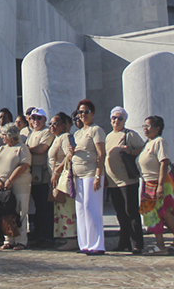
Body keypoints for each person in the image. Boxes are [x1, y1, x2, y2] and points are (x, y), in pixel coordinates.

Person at [138, 116, 174, 255]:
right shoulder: (148, 143)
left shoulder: (160, 142)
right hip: (148, 182)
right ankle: (160, 245)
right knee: (152, 214)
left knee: (164, 211)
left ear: (157, 128)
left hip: (160, 182)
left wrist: (160, 186)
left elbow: (164, 163)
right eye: (144, 126)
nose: (145, 129)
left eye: (148, 126)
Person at [105, 106, 145, 254]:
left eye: (119, 118)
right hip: (112, 182)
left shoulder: (130, 134)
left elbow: (142, 148)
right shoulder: (109, 136)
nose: (116, 121)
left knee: (132, 213)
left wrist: (130, 151)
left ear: (124, 120)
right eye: (114, 118)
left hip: (127, 181)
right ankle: (124, 242)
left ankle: (137, 243)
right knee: (120, 214)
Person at [71, 99, 106, 255]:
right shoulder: (77, 133)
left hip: (91, 172)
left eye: (85, 112)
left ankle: (97, 244)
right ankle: (84, 243)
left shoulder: (96, 130)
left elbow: (101, 153)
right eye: (80, 112)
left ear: (92, 113)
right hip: (78, 175)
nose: (82, 115)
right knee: (80, 209)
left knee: (90, 207)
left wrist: (98, 175)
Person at [0, 122, 31, 250]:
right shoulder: (1, 149)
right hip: (1, 186)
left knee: (20, 211)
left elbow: (24, 165)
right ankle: (8, 238)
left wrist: (11, 180)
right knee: (5, 211)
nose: (2, 137)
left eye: (4, 134)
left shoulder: (22, 148)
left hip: (19, 184)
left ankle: (21, 240)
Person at [26, 107, 55, 247]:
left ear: (44, 119)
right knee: (37, 207)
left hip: (43, 175)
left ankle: (47, 236)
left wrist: (25, 150)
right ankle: (39, 234)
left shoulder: (46, 132)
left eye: (38, 118)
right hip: (32, 174)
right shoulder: (32, 134)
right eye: (33, 118)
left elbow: (41, 149)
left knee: (45, 207)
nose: (35, 121)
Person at [48, 112, 78, 251]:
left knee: (66, 207)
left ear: (64, 125)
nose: (52, 126)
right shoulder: (56, 138)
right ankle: (63, 236)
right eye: (51, 124)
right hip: (56, 179)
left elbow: (69, 155)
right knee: (59, 208)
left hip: (63, 178)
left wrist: (57, 171)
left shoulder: (65, 137)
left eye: (55, 123)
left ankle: (71, 237)